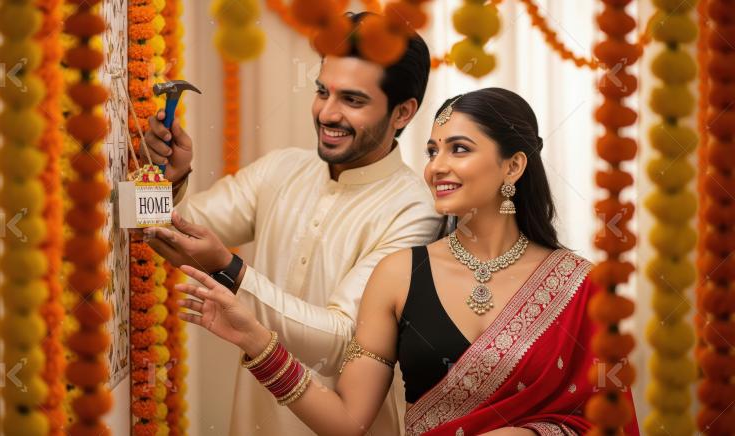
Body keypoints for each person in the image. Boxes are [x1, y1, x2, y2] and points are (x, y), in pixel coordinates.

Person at [173, 88, 641, 435]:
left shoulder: (581, 287)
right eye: (433, 151)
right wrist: (256, 341)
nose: (437, 166)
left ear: (513, 167)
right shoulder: (398, 274)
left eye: (459, 149)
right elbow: (348, 422)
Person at [140, 12, 442, 435]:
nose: (327, 114)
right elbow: (169, 231)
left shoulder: (416, 212)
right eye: (323, 92)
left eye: (352, 100)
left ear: (403, 112)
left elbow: (345, 344)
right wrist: (170, 178)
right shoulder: (282, 170)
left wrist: (230, 270)